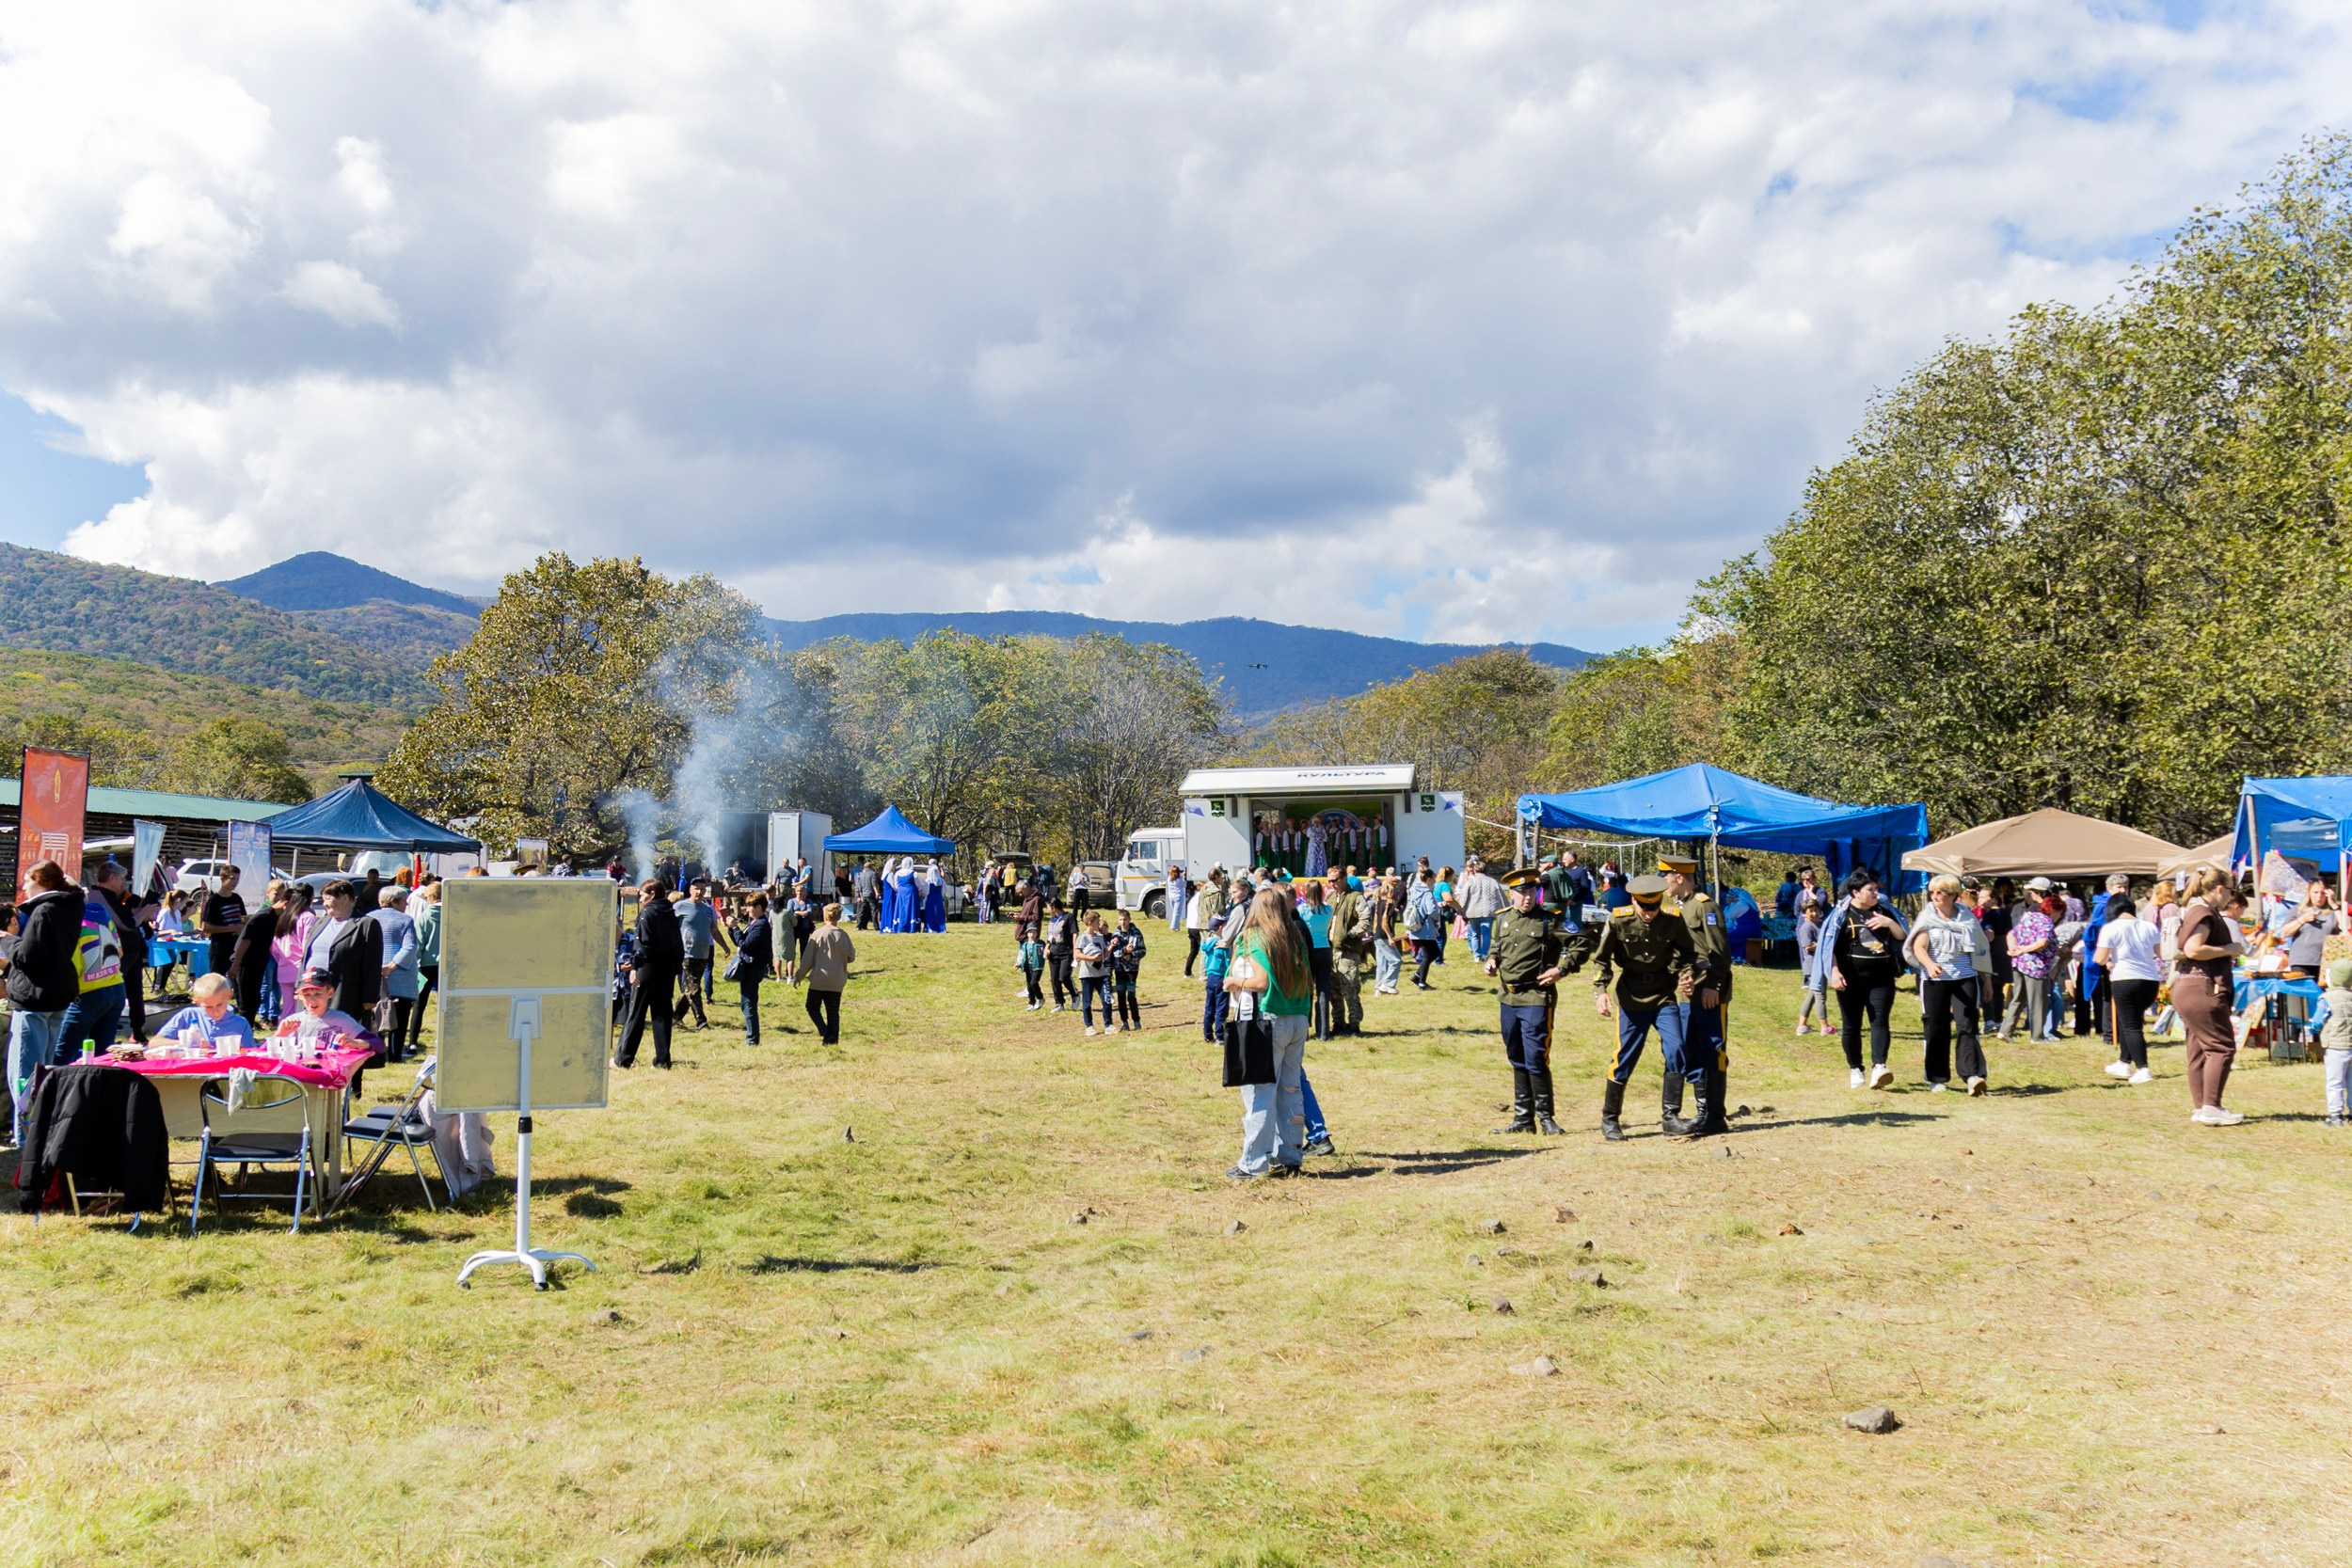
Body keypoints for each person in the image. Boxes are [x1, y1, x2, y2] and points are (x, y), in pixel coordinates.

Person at [1588, 874, 1696, 1142]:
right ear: (1634, 900)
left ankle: (1671, 1117)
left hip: (1663, 995)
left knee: (1677, 1048)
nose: (1649, 913)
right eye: (1644, 907)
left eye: (1654, 907)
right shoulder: (1618, 919)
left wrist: (1687, 973)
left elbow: (1688, 953)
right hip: (1631, 998)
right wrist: (1600, 991)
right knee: (1625, 1057)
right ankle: (1610, 1119)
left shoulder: (1672, 919)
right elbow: (1601, 960)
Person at [1223, 886, 1314, 1180]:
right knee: (1290, 1089)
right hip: (1298, 1018)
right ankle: (1290, 1156)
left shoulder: (1255, 937)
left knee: (1260, 1092)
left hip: (1268, 1019)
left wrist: (1235, 981)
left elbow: (1261, 981)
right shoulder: (1295, 936)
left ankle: (1251, 1163)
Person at [1484, 866, 1581, 1135]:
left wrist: (1561, 970)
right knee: (1516, 1057)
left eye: (1531, 891)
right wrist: (1491, 961)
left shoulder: (1550, 920)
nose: (1527, 897)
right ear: (1511, 894)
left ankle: (1546, 1118)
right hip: (1508, 997)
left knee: (1536, 1057)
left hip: (1536, 997)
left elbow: (1580, 944)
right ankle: (1523, 1120)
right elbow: (1495, 948)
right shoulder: (1502, 919)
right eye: (1521, 892)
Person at [6, 861, 85, 1144]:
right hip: (58, 994)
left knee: (25, 1072)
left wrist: (8, 941)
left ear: (39, 880)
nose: (24, 887)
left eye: (26, 881)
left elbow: (28, 955)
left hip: (35, 998)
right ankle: (43, 1130)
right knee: (47, 1069)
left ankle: (26, 1138)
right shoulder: (71, 904)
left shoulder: (45, 910)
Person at [1812, 871, 1909, 1088]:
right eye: (1870, 890)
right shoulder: (1841, 916)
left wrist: (1888, 923)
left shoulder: (1885, 911)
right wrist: (1834, 973)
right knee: (1852, 1025)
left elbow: (1902, 935)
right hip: (1850, 979)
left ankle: (1880, 1066)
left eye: (1876, 889)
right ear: (1855, 892)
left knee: (1880, 1020)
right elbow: (1830, 949)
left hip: (1882, 977)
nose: (1876, 893)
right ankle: (1855, 1068)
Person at [1660, 853, 1730, 1136]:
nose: (1664, 882)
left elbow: (1719, 950)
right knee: (1692, 1049)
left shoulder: (1704, 906)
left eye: (1666, 876)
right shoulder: (1681, 907)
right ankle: (1702, 1112)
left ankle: (1715, 1116)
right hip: (1689, 993)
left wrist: (1714, 985)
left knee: (1713, 1051)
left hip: (1710, 992)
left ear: (1679, 877)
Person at [1906, 873, 1994, 1095]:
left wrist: (1987, 980)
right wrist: (1928, 964)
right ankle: (1937, 1077)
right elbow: (1918, 947)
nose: (1935, 896)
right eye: (1933, 892)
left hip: (1965, 977)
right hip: (1935, 980)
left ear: (1954, 895)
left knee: (1967, 1025)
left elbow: (1981, 950)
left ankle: (1973, 1075)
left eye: (1941, 892)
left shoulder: (1967, 919)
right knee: (1936, 1025)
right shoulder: (1927, 918)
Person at [2171, 871, 2248, 1125]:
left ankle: (2201, 1107)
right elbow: (2194, 948)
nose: (2230, 895)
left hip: (2188, 986)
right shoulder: (2203, 913)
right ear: (2218, 889)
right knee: (2221, 1047)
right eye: (2229, 889)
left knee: (2199, 1050)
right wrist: (2229, 949)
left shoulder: (2197, 910)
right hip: (2202, 987)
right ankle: (2211, 1107)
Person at [2093, 893, 2161, 1085]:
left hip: (2125, 979)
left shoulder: (2110, 928)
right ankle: (2124, 1061)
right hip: (2150, 980)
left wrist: (2109, 961)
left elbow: (2099, 958)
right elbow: (2160, 953)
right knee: (2128, 1021)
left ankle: (2143, 1068)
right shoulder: (2149, 926)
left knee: (2131, 1026)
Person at [614, 879, 682, 1069]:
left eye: (642, 896)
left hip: (648, 968)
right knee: (662, 1015)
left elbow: (642, 944)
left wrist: (634, 967)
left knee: (636, 1014)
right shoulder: (670, 912)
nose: (640, 900)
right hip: (667, 969)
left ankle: (623, 1059)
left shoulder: (647, 913)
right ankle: (663, 1060)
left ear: (652, 895)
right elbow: (678, 943)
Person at [305, 879, 383, 1025]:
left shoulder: (366, 924)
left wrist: (369, 997)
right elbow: (307, 955)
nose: (324, 904)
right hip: (312, 989)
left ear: (345, 898)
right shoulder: (321, 922)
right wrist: (300, 985)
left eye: (328, 899)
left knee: (337, 1033)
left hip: (343, 993)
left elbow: (372, 964)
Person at [154, 974, 259, 1053]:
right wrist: (186, 1043)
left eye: (219, 1005)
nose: (215, 1011)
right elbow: (155, 1043)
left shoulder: (241, 1024)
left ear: (229, 996)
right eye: (208, 1007)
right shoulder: (188, 1015)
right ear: (197, 1003)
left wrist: (241, 1050)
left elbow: (251, 1054)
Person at [373, 886, 421, 1060]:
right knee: (400, 1020)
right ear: (394, 902)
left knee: (376, 1018)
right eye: (403, 901)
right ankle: (394, 1055)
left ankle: (377, 1055)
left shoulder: (368, 917)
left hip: (375, 975)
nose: (407, 904)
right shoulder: (405, 920)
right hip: (400, 976)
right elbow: (410, 947)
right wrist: (392, 966)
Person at [672, 881, 724, 1030]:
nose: (699, 892)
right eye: (696, 889)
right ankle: (701, 1022)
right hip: (686, 954)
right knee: (694, 989)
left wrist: (725, 946)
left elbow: (714, 930)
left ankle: (675, 1018)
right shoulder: (680, 907)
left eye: (702, 889)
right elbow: (669, 927)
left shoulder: (708, 910)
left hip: (703, 955)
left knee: (689, 990)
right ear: (690, 890)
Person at [801, 904, 855, 1044]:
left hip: (819, 979)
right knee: (833, 1012)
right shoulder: (843, 935)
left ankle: (825, 1031)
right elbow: (851, 957)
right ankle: (833, 1040)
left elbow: (808, 959)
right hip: (837, 980)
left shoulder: (818, 934)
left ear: (825, 916)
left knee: (812, 1007)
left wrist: (800, 975)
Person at [1326, 871, 1371, 1036]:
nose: (1331, 883)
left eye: (1334, 880)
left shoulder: (1355, 897)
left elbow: (1365, 921)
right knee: (1334, 991)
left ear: (1344, 879)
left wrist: (1350, 934)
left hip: (1348, 952)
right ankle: (1338, 1023)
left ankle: (1354, 1024)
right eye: (1329, 880)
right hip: (1331, 951)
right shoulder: (1330, 898)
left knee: (1350, 990)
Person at [2274, 879, 2338, 980]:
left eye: (2323, 893)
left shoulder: (2334, 911)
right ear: (2309, 893)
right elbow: (2284, 932)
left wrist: (2334, 904)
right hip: (2302, 960)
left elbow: (2346, 927)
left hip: (2326, 961)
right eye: (2315, 892)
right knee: (2301, 993)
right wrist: (2302, 920)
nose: (2319, 896)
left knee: (2322, 994)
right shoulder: (2298, 909)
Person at [733, 894, 775, 1044]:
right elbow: (740, 942)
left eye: (750, 906)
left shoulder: (761, 924)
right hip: (749, 967)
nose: (747, 909)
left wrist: (735, 928)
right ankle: (752, 1038)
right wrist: (733, 930)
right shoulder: (754, 922)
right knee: (746, 1003)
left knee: (749, 1004)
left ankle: (752, 1039)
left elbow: (745, 945)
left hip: (753, 968)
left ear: (759, 907)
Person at [407, 879, 442, 1054]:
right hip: (446, 966)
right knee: (447, 1005)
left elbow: (418, 944)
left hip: (425, 965)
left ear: (430, 897)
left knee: (419, 1004)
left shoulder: (423, 917)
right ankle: (443, 1037)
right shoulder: (452, 914)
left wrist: (417, 964)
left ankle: (413, 1041)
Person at [1297, 878, 1335, 1038]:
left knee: (1306, 990)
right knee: (1323, 990)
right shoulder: (1328, 909)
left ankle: (1305, 1030)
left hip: (1308, 950)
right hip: (1325, 949)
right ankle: (1323, 1031)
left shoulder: (1302, 910)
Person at [198, 863, 247, 981]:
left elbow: (242, 918)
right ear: (222, 878)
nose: (235, 882)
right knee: (216, 982)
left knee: (237, 982)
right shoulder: (214, 900)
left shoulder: (237, 898)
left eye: (237, 879)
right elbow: (207, 928)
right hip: (219, 948)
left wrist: (247, 921)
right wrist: (233, 928)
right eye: (231, 878)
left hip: (236, 947)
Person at [1456, 858, 1505, 963]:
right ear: (1486, 870)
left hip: (1473, 911)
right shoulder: (1493, 882)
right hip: (1488, 911)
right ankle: (1484, 954)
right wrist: (1506, 907)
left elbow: (1464, 897)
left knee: (1475, 934)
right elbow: (1501, 896)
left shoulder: (1470, 882)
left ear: (1474, 870)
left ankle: (1476, 956)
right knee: (1486, 934)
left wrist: (1460, 909)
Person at [2323, 958, 2352, 1127]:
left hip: (2336, 1046)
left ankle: (2335, 1115)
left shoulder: (2327, 998)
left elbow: (2318, 1021)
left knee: (2335, 1082)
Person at [1794, 898, 1830, 1037]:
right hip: (1813, 966)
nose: (1814, 913)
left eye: (1816, 910)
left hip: (1820, 965)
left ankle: (1802, 1026)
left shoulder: (1817, 925)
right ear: (1804, 913)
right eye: (1811, 911)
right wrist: (1823, 943)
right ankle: (1824, 1027)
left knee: (1812, 997)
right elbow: (1808, 947)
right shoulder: (1806, 927)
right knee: (1820, 995)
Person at [1074, 911, 1113, 1036]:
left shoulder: (1100, 937)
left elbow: (1104, 955)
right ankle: (1089, 1026)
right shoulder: (1083, 937)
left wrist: (1111, 947)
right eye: (1097, 922)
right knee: (1087, 1002)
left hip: (1101, 973)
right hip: (1087, 975)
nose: (1099, 925)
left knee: (1106, 999)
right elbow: (1077, 954)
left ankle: (1108, 1024)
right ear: (1090, 924)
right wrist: (1092, 959)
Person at [1405, 869, 1443, 990]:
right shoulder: (1427, 893)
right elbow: (1431, 910)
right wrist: (1437, 918)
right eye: (1434, 878)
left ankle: (1417, 976)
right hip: (1425, 927)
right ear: (1429, 879)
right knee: (1429, 954)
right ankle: (1421, 982)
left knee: (1434, 952)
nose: (1435, 881)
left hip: (1415, 926)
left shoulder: (1413, 890)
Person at [1109, 908, 1146, 1032]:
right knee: (1120, 996)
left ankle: (1136, 1021)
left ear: (1129, 919)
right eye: (1120, 919)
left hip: (1132, 969)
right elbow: (1113, 952)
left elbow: (1143, 951)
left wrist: (1132, 955)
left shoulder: (1136, 933)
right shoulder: (1115, 934)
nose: (1123, 922)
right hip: (1119, 969)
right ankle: (1124, 1022)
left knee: (1131, 996)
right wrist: (1124, 951)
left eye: (1125, 919)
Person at [1183, 868, 1224, 978]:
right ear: (1216, 877)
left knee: (1204, 948)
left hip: (1201, 922)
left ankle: (1203, 973)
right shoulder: (1217, 892)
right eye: (1221, 876)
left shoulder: (1203, 888)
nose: (1222, 878)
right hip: (1212, 923)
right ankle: (1206, 972)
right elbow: (1218, 910)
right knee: (1212, 947)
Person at [1042, 898, 1076, 1012]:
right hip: (1054, 951)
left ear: (1053, 907)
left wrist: (1076, 950)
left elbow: (1074, 934)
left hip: (1066, 951)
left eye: (1048, 907)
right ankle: (1059, 1003)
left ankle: (1074, 994)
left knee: (1064, 976)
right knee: (1054, 979)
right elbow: (1050, 936)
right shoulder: (1052, 919)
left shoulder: (1069, 917)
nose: (1047, 909)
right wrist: (1047, 948)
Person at [1165, 863, 1189, 938]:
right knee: (1177, 913)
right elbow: (1185, 885)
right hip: (1178, 897)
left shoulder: (1169, 879)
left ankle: (1177, 927)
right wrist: (1184, 876)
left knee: (1175, 913)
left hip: (1171, 897)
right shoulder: (1179, 879)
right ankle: (1173, 927)